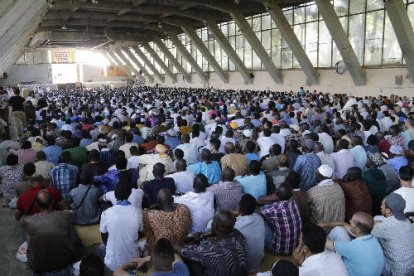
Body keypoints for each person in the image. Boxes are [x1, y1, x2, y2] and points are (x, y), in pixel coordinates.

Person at [21, 189, 82, 273]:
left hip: (39, 266)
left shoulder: (28, 220)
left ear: (36, 204)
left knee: (29, 233)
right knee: (71, 229)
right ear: (52, 202)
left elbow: (21, 220)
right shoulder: (65, 215)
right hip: (65, 261)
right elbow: (72, 213)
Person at [179, 210, 248, 276]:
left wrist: (191, 237)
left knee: (190, 263)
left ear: (214, 225)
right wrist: (203, 235)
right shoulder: (239, 236)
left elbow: (180, 249)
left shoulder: (209, 250)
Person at [99, 181, 143, 271]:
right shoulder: (139, 213)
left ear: (114, 194)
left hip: (112, 263)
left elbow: (104, 236)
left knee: (101, 247)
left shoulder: (106, 213)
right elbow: (139, 233)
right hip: (132, 262)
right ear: (130, 194)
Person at [372, 193, 414, 275]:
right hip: (411, 269)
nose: (380, 206)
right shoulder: (408, 222)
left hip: (396, 272)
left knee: (370, 239)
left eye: (382, 205)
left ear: (388, 210)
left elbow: (364, 229)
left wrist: (344, 224)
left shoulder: (384, 227)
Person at [260, 183, 301, 255]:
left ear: (277, 196)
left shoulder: (275, 209)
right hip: (295, 247)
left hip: (279, 250)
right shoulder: (295, 202)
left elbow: (261, 210)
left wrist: (271, 198)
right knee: (273, 219)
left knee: (262, 223)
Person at [114, 238, 190, 276]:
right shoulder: (183, 270)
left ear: (152, 263)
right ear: (172, 259)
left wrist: (136, 263)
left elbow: (117, 272)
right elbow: (176, 256)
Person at [234, 194, 265, 273]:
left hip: (244, 268)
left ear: (240, 209)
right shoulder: (260, 219)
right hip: (258, 263)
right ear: (254, 208)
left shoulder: (236, 226)